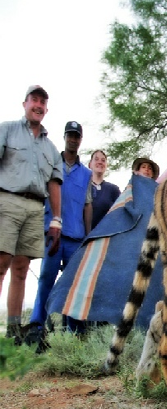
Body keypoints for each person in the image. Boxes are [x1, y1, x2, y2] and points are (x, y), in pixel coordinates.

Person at [0, 85, 63, 345]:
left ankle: (13, 331)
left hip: (37, 208)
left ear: (46, 109)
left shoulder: (51, 148)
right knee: (1, 263)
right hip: (8, 200)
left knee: (22, 269)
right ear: (24, 103)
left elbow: (54, 184)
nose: (38, 105)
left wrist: (56, 219)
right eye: (34, 100)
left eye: (42, 102)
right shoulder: (7, 130)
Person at [25, 121, 93, 350]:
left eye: (77, 136)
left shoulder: (87, 174)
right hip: (53, 233)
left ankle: (75, 333)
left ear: (80, 140)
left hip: (76, 237)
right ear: (65, 137)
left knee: (75, 285)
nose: (73, 139)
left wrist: (88, 236)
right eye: (70, 135)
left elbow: (87, 205)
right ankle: (37, 327)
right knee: (46, 279)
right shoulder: (52, 164)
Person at [88, 150, 120, 229]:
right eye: (96, 159)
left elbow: (119, 215)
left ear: (106, 165)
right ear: (90, 164)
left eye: (103, 160)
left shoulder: (113, 189)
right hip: (82, 237)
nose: (100, 162)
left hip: (105, 237)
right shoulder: (82, 187)